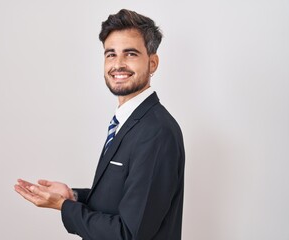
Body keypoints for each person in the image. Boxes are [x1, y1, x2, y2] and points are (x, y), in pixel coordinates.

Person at [14, 9, 185, 240]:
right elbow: (118, 201)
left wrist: (64, 207)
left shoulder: (156, 132)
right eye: (111, 54)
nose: (118, 64)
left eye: (131, 54)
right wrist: (72, 196)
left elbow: (128, 234)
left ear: (153, 63)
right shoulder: (127, 121)